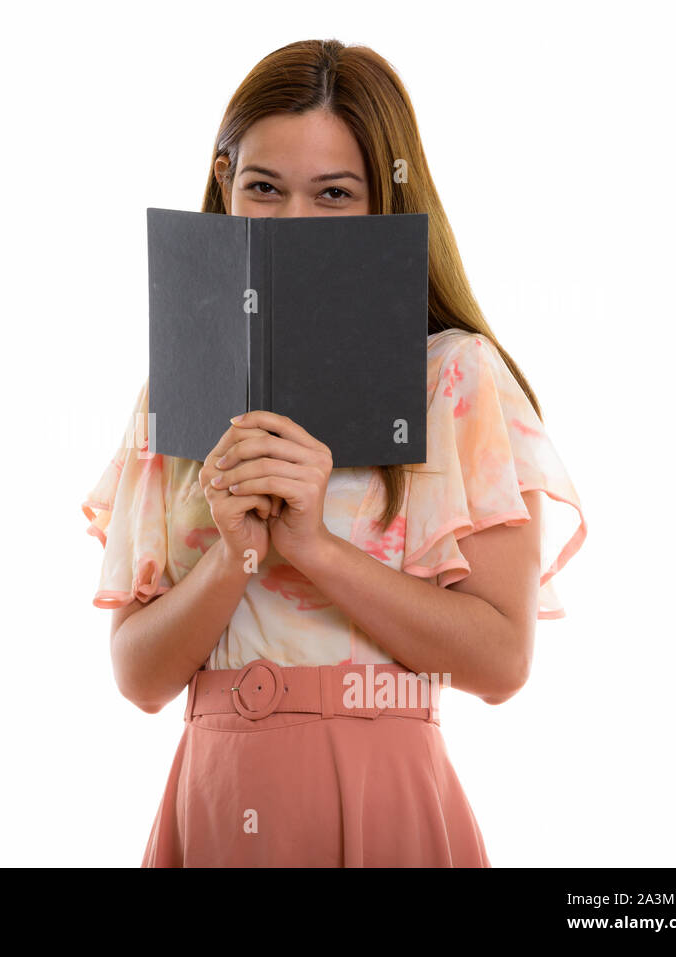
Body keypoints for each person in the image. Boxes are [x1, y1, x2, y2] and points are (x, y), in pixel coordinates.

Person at [80, 38, 588, 867]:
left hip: (384, 791)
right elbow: (138, 678)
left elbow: (502, 660)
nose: (292, 225)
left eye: (334, 195)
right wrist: (234, 554)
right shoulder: (181, 381)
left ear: (385, 201)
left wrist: (313, 546)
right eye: (264, 188)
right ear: (224, 183)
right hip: (215, 792)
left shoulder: (456, 378)